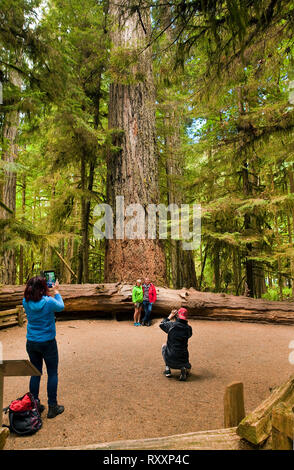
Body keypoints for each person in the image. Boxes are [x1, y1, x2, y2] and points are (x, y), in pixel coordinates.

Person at [23, 276, 65, 419]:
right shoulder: (48, 302)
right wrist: (57, 291)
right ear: (43, 288)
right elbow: (61, 306)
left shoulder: (25, 301)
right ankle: (52, 407)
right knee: (52, 373)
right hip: (48, 343)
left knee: (35, 372)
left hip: (32, 342)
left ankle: (34, 405)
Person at [159, 307, 192, 381]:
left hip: (171, 357)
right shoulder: (188, 328)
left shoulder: (171, 325)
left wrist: (170, 316)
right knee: (188, 366)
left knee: (164, 346)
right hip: (183, 359)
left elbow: (161, 324)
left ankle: (167, 369)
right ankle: (183, 369)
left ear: (177, 315)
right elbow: (189, 335)